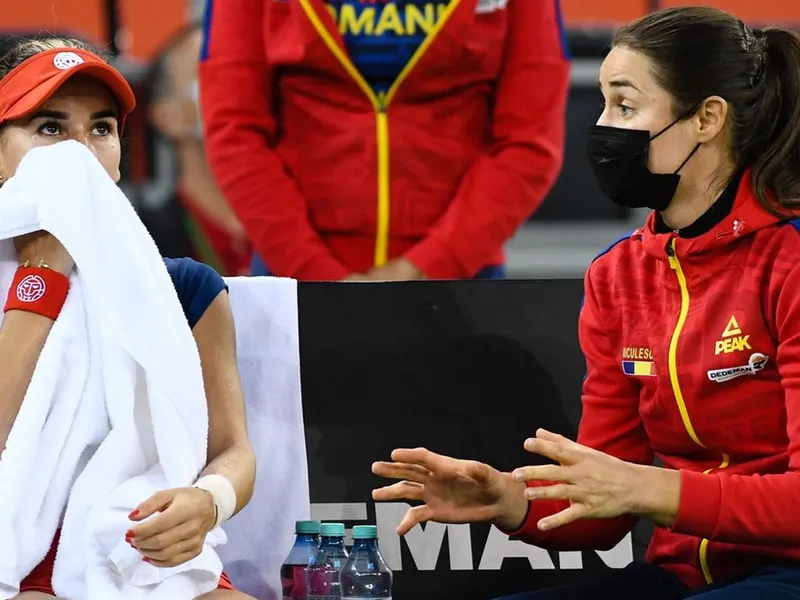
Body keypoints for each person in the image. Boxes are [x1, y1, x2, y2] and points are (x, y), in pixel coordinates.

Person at [372, 6, 800, 599]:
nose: (602, 127)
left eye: (624, 106)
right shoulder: (617, 274)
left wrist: (647, 489)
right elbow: (605, 513)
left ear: (706, 118)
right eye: (602, 103)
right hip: (678, 578)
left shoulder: (791, 260)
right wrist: (510, 500)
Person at [0, 38, 256, 599]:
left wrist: (208, 500)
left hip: (141, 546)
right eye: (49, 127)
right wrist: (42, 275)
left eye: (100, 128)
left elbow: (232, 451)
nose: (79, 151)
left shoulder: (186, 285)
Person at [199, 0, 569, 281]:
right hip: (295, 274)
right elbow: (236, 130)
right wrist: (316, 273)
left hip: (458, 278)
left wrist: (428, 266)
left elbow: (529, 141)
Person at [144, 23, 251, 276]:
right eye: (211, 73)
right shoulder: (145, 242)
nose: (237, 87)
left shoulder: (300, 222)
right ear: (167, 117)